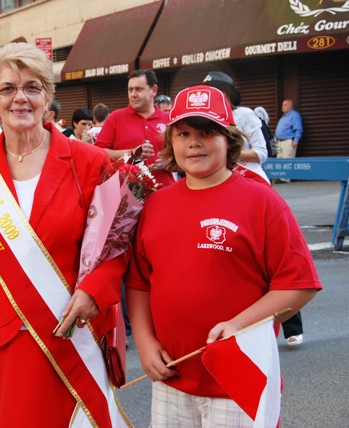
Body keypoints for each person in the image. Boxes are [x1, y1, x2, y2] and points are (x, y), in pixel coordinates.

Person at [0, 42, 129, 427]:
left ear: (48, 97)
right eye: (7, 88)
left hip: (74, 329)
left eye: (32, 87)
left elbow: (115, 245)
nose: (20, 98)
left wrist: (95, 291)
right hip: (7, 339)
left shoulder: (89, 161)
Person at [125, 84, 322, 427]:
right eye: (183, 133)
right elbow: (140, 283)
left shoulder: (262, 202)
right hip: (172, 377)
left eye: (207, 132)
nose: (194, 142)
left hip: (238, 379)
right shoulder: (155, 204)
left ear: (229, 140)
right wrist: (143, 341)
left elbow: (299, 284)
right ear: (170, 141)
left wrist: (239, 325)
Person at [95, 69, 174, 187]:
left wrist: (170, 163)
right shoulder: (116, 118)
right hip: (126, 193)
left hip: (164, 190)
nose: (133, 94)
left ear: (154, 90)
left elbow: (185, 156)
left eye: (139, 89)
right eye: (130, 90)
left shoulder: (169, 119)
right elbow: (98, 153)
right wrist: (131, 153)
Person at [203, 71, 269, 184]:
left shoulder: (244, 114)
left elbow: (261, 153)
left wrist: (226, 153)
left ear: (224, 93)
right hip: (215, 181)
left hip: (246, 180)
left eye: (209, 92)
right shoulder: (202, 120)